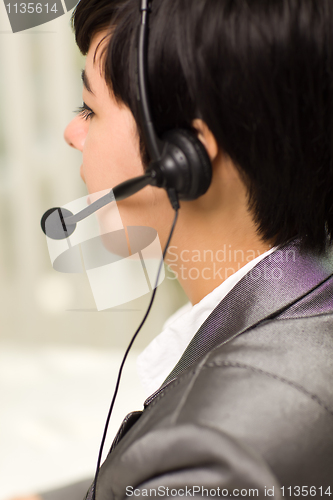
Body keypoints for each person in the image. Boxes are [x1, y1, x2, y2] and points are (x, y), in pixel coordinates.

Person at [13, 0, 333, 498]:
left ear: (182, 158)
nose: (72, 133)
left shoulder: (214, 457)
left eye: (90, 109)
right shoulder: (310, 307)